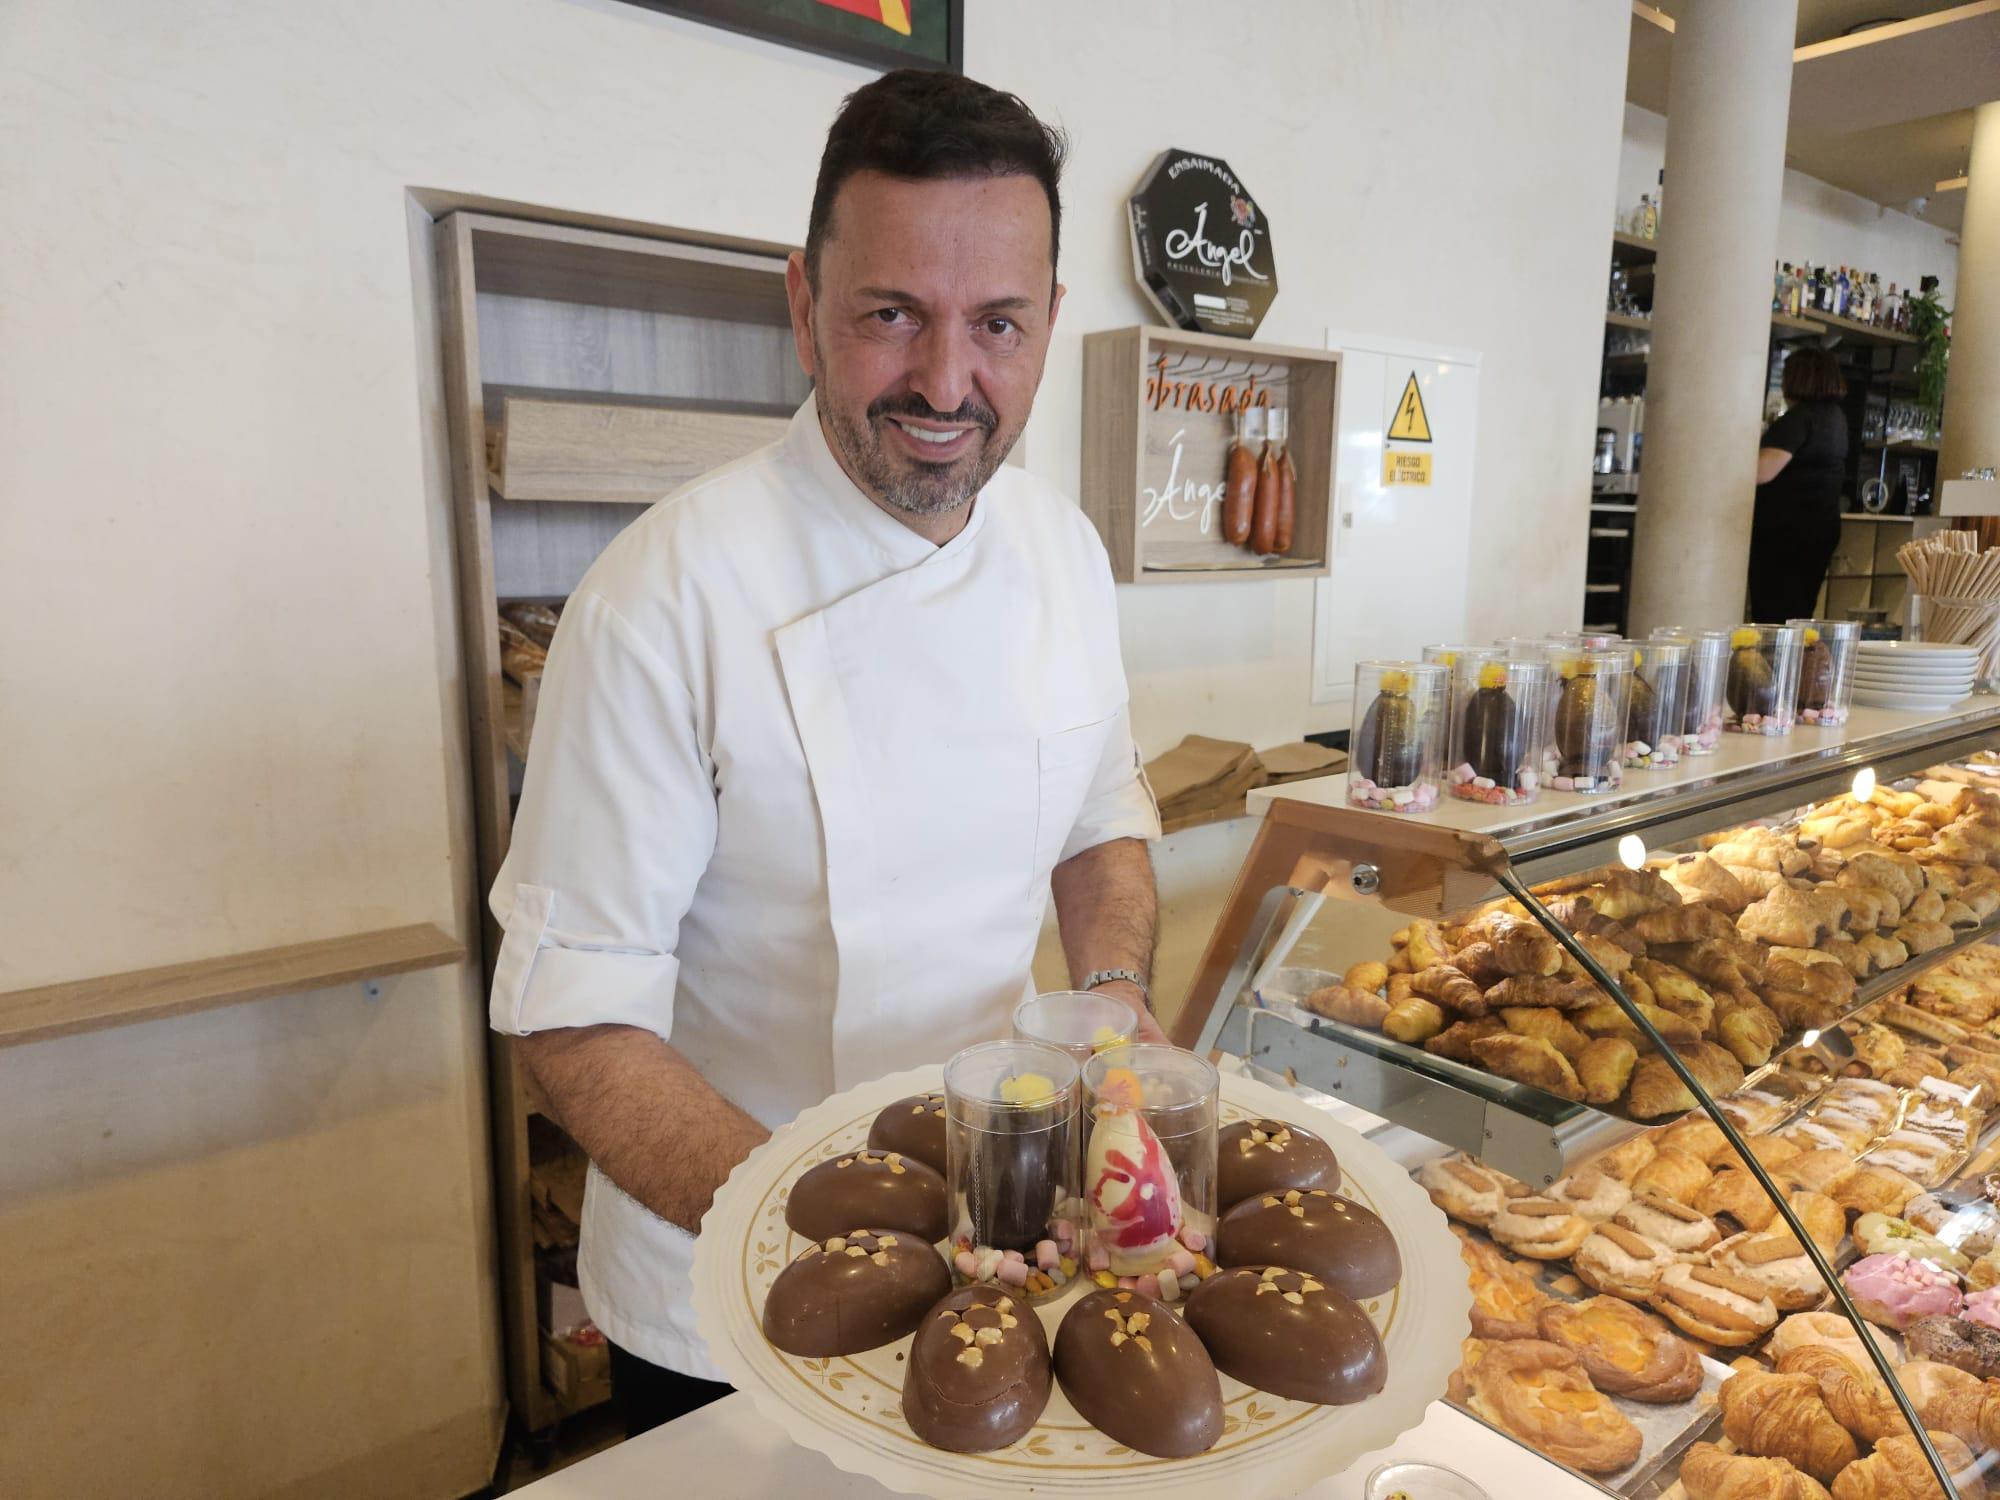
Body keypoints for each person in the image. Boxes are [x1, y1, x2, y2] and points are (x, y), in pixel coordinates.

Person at [486, 69, 1163, 1438]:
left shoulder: (1063, 554)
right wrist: (835, 1230)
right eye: (890, 315)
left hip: (1011, 1244)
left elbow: (1100, 818)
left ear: (1046, 328)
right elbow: (576, 1017)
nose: (945, 381)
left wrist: (1110, 997)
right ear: (802, 306)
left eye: (997, 325)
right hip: (729, 1292)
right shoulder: (662, 598)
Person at [1746, 346, 1850, 621]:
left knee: (1772, 617)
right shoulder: (1836, 418)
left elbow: (1761, 472)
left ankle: (1772, 665)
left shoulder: (1799, 418)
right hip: (1818, 529)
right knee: (1796, 615)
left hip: (1786, 534)